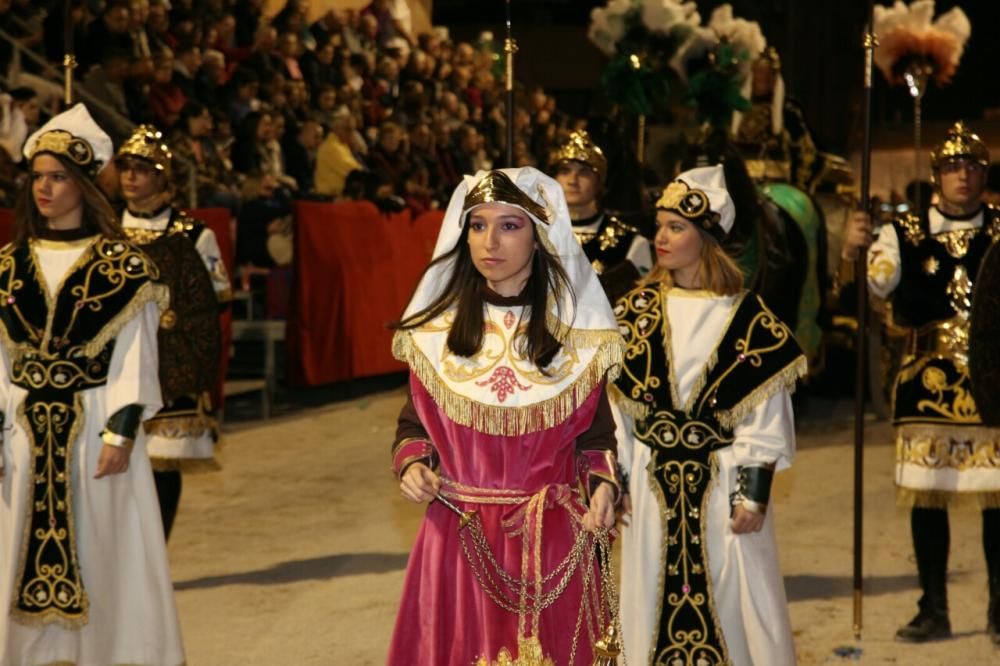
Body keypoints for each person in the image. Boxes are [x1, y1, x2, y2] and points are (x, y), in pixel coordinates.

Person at [388, 167, 625, 665]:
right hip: (457, 535)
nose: (489, 241)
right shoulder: (436, 333)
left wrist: (603, 485)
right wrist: (412, 465)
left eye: (509, 226)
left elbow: (596, 439)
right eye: (477, 225)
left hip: (552, 542)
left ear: (539, 237)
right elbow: (415, 426)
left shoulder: (577, 338)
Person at [0, 103, 184, 664]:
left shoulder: (122, 267)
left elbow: (135, 355)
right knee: (13, 550)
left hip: (92, 432)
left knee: (105, 547)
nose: (45, 189)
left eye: (58, 177)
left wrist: (120, 431)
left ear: (83, 183)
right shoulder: (8, 265)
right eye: (38, 178)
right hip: (21, 434)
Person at [612, 165, 804, 665]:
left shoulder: (748, 320)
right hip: (653, 494)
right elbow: (619, 413)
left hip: (721, 492)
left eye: (676, 227)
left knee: (732, 599)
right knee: (650, 597)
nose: (661, 238)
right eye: (659, 226)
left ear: (708, 238)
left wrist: (753, 492)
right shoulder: (634, 314)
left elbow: (765, 413)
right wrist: (617, 476)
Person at [842, 121, 1000, 644]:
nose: (963, 176)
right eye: (953, 167)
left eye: (973, 167)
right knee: (929, 496)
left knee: (997, 498)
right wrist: (856, 251)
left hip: (993, 381)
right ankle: (933, 607)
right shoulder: (903, 234)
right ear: (937, 175)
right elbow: (879, 283)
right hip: (927, 382)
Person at [116, 124, 225, 539]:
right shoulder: (105, 231)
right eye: (126, 167)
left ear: (162, 176)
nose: (131, 177)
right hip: (115, 363)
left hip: (169, 366)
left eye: (141, 169)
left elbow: (211, 305)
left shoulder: (195, 236)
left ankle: (156, 550)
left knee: (161, 463)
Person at [550, 129, 652, 302]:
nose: (572, 180)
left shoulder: (630, 243)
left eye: (584, 172)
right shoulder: (534, 233)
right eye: (565, 171)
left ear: (599, 182)